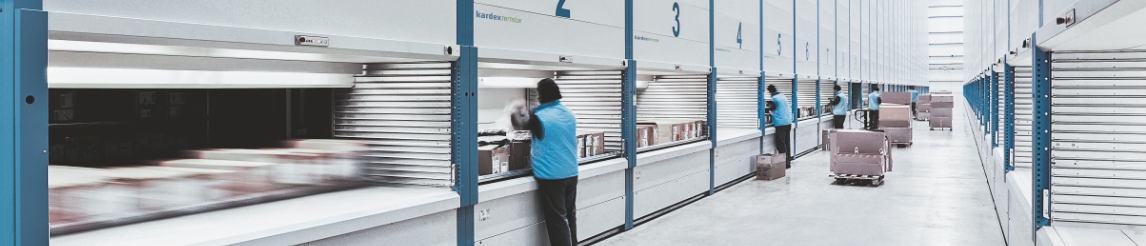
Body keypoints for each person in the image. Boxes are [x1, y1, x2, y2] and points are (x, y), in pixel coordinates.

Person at [528, 79, 579, 246]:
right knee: (569, 215)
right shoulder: (568, 114)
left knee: (557, 219)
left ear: (541, 95)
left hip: (552, 176)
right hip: (571, 173)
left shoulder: (540, 117)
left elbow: (518, 123)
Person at [766, 84, 793, 168]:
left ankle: (785, 163)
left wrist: (767, 107)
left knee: (780, 144)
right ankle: (788, 160)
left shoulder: (774, 98)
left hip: (781, 124)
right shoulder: (783, 96)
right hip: (788, 122)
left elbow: (772, 108)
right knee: (787, 143)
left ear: (770, 91)